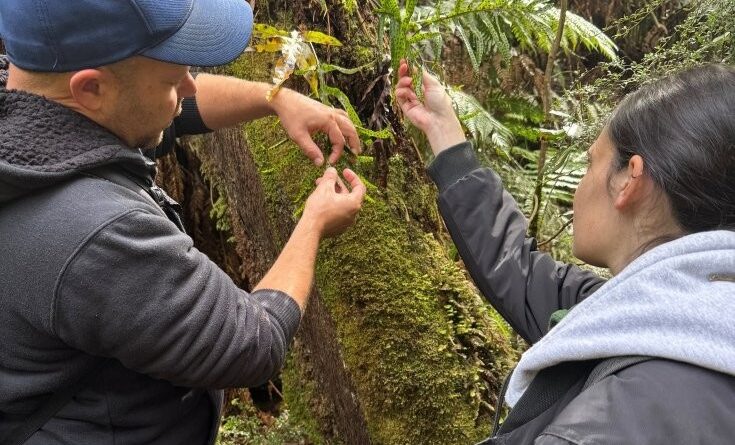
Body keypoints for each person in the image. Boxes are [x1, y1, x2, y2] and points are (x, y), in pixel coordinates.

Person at [0, 1, 365, 444]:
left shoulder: (27, 103)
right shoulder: (99, 235)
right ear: (90, 90)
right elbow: (254, 344)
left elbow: (152, 112)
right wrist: (313, 224)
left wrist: (274, 99)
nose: (190, 88)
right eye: (175, 79)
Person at [396, 60, 735, 444]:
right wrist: (445, 135)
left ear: (629, 178)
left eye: (590, 163)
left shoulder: (607, 423)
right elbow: (520, 272)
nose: (581, 184)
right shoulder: (658, 316)